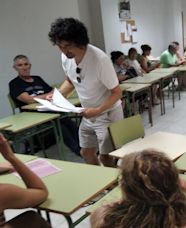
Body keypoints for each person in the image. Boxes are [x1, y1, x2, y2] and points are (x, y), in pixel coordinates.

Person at [48, 17, 123, 167]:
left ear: (80, 41)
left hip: (107, 112)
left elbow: (117, 92)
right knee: (86, 152)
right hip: (87, 113)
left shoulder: (99, 60)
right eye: (60, 46)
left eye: (67, 46)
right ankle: (102, 182)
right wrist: (58, 95)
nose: (64, 50)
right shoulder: (66, 57)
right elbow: (70, 80)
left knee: (106, 157)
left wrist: (98, 110)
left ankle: (113, 186)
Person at [90, 150, 186, 228]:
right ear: (175, 186)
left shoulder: (103, 219)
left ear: (126, 189)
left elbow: (112, 205)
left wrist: (130, 196)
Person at [8, 54, 81, 157]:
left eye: (26, 64)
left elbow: (52, 92)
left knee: (68, 121)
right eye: (20, 65)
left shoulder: (37, 78)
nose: (24, 67)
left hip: (49, 109)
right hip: (33, 115)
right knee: (60, 125)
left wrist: (47, 96)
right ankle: (77, 150)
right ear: (15, 68)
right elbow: (28, 100)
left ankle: (84, 147)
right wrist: (47, 96)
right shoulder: (14, 83)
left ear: (30, 65)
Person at [0, 133, 50, 228]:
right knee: (33, 219)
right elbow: (41, 192)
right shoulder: (3, 192)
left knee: (29, 217)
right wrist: (11, 157)